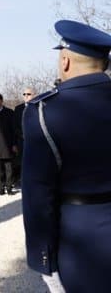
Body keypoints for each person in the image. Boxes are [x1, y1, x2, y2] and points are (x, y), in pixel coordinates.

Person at [23, 20, 111, 293]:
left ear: (66, 60)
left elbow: (38, 195)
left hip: (83, 244)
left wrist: (44, 260)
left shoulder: (44, 111)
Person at [13, 87, 34, 184]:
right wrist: (22, 135)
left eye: (28, 94)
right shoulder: (18, 109)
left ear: (33, 95)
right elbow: (15, 125)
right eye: (24, 94)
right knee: (23, 161)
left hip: (35, 139)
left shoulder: (39, 106)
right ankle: (24, 180)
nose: (26, 96)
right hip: (22, 140)